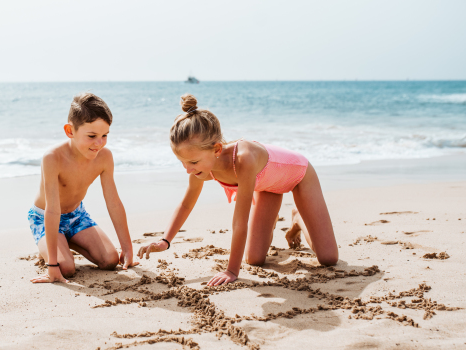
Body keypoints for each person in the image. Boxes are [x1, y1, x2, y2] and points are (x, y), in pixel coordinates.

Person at [137, 94, 338, 286]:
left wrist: (232, 271)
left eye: (193, 162)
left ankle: (298, 218)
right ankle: (275, 219)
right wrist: (165, 241)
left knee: (328, 258)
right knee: (255, 259)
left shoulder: (244, 159)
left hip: (298, 175)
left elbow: (239, 221)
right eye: (182, 162)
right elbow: (186, 204)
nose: (188, 169)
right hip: (267, 186)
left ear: (216, 149)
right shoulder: (200, 168)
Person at [29, 92, 138, 283]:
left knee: (110, 260)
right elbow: (52, 210)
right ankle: (50, 249)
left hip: (77, 216)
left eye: (105, 135)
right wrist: (52, 266)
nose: (99, 143)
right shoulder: (53, 158)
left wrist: (127, 248)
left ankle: (67, 241)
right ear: (70, 131)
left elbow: (113, 202)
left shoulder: (105, 157)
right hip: (45, 216)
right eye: (92, 136)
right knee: (65, 268)